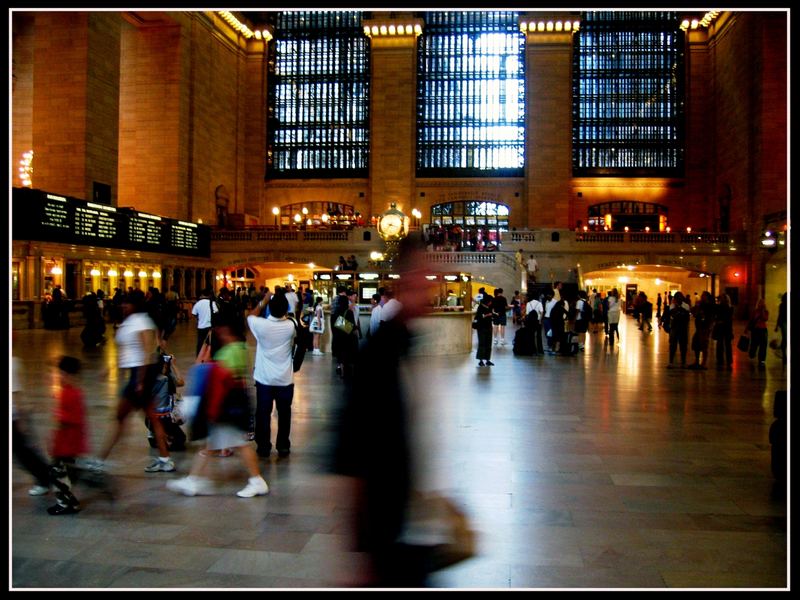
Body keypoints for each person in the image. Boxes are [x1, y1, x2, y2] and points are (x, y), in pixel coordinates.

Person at [167, 312, 269, 498]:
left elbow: (221, 385)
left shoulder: (230, 351)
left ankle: (256, 480)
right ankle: (193, 481)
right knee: (212, 445)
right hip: (233, 405)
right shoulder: (239, 347)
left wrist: (212, 410)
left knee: (237, 444)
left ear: (225, 329)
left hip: (227, 407)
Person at [92, 289, 174, 473]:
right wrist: (111, 368)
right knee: (152, 419)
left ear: (134, 305)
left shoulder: (143, 322)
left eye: (126, 303)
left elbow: (147, 352)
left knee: (121, 418)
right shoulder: (128, 323)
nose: (123, 306)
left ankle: (100, 459)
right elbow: (126, 350)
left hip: (140, 375)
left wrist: (140, 381)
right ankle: (165, 459)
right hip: (136, 375)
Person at [247, 292, 296, 458]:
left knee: (263, 413)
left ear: (269, 308)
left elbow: (250, 316)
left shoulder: (261, 325)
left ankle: (263, 446)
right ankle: (283, 445)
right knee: (284, 413)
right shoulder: (291, 326)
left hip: (264, 379)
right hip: (285, 379)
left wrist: (264, 300)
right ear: (285, 310)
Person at [46, 356, 89, 515]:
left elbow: (69, 419)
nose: (59, 377)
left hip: (65, 442)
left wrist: (58, 415)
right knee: (64, 472)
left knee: (58, 474)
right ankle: (70, 501)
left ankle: (65, 503)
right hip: (71, 441)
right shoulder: (76, 392)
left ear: (68, 374)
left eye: (61, 374)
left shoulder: (68, 393)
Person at [688, 291, 715, 370]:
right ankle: (696, 361)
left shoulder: (710, 306)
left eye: (704, 295)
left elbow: (711, 317)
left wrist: (710, 326)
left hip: (705, 327)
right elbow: (695, 312)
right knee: (696, 344)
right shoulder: (700, 304)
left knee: (704, 345)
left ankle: (704, 363)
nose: (702, 297)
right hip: (699, 327)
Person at [666, 292, 691, 369]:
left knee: (683, 345)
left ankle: (683, 362)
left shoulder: (685, 306)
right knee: (673, 345)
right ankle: (671, 361)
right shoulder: (672, 305)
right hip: (674, 327)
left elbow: (686, 316)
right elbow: (671, 314)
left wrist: (679, 309)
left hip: (683, 328)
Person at [192, 288, 219, 357]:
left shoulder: (198, 303)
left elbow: (194, 314)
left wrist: (198, 320)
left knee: (200, 343)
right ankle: (210, 356)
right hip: (210, 327)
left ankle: (199, 357)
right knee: (211, 343)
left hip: (200, 327)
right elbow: (216, 313)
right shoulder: (212, 303)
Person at [713, 293, 734, 370]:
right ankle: (728, 360)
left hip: (723, 327)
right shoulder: (729, 308)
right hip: (726, 328)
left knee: (721, 345)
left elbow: (718, 317)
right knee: (726, 345)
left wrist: (719, 321)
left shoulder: (721, 307)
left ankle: (721, 360)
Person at [475, 291, 495, 366]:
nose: (491, 303)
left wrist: (492, 314)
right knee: (482, 343)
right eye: (490, 301)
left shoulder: (489, 307)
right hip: (481, 327)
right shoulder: (481, 307)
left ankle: (487, 359)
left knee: (488, 343)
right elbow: (479, 317)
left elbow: (491, 315)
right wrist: (487, 315)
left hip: (488, 327)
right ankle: (480, 360)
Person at [747, 298, 769, 366]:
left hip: (763, 330)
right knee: (754, 344)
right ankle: (752, 354)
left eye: (762, 303)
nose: (761, 304)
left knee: (763, 345)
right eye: (760, 302)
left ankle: (762, 360)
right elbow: (751, 321)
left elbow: (765, 319)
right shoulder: (755, 311)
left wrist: (762, 311)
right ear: (758, 304)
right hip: (755, 330)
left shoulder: (766, 311)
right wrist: (746, 329)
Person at [775, 292, 787, 366]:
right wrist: (776, 326)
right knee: (785, 338)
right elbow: (780, 315)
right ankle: (784, 354)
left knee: (785, 339)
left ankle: (783, 351)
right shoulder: (782, 305)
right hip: (784, 323)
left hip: (785, 322)